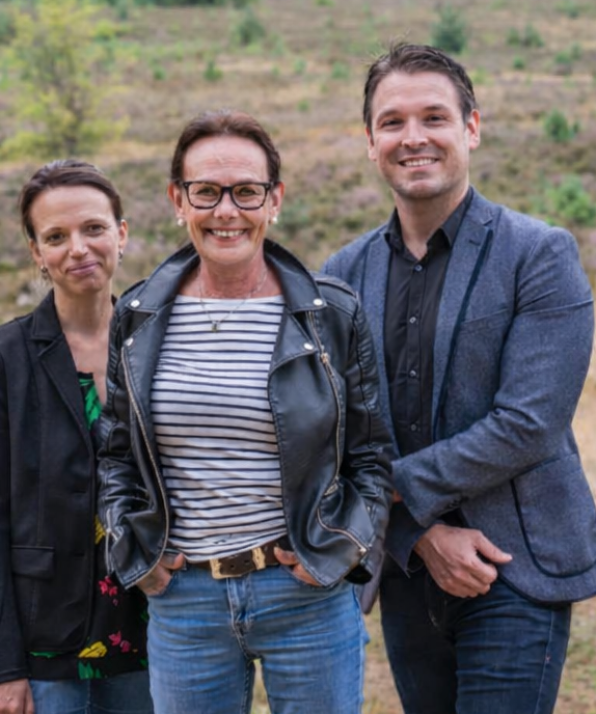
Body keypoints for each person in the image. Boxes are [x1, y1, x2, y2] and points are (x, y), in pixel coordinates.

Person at [322, 42, 596, 714]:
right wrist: (418, 533)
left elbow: (529, 424)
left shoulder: (540, 255)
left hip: (515, 565)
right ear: (370, 141)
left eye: (434, 117)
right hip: (405, 566)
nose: (413, 137)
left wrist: (389, 488)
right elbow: (337, 431)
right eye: (392, 122)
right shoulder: (341, 276)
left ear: (471, 128)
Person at [97, 109, 392, 714]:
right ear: (178, 200)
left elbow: (370, 456)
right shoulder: (138, 316)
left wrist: (343, 547)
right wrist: (134, 551)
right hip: (185, 601)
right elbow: (116, 454)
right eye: (206, 191)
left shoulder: (332, 315)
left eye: (246, 191)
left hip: (305, 595)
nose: (226, 211)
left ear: (274, 199)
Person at [0, 160, 153, 714]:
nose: (78, 248)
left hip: (155, 631)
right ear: (36, 252)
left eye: (93, 228)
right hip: (45, 645)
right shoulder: (8, 358)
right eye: (56, 237)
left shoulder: (159, 345)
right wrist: (5, 667)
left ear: (122, 233)